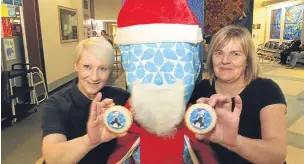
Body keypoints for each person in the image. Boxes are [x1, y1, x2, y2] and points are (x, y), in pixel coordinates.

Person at [190, 25, 287, 164]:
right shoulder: (200, 91)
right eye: (218, 53)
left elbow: (277, 156)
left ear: (247, 60)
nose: (225, 60)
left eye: (235, 54)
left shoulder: (267, 90)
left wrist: (232, 141)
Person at [41, 37, 130, 164]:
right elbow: (53, 158)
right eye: (87, 66)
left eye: (103, 68)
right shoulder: (57, 103)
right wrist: (90, 141)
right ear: (76, 65)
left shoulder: (120, 99)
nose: (94, 77)